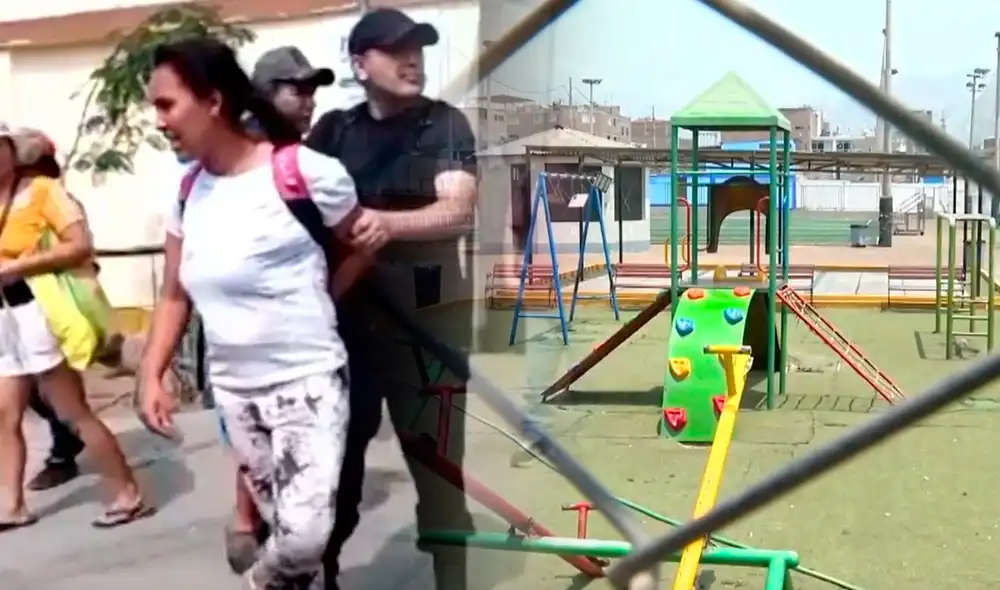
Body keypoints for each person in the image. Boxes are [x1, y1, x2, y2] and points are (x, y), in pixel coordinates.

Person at [137, 37, 387, 589]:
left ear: (213, 101)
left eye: (167, 105)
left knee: (303, 537)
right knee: (285, 531)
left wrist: (321, 296)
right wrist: (150, 373)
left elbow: (361, 243)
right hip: (236, 393)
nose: (159, 121)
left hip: (307, 382)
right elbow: (175, 294)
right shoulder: (188, 192)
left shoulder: (304, 171)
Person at [304, 8, 478, 590]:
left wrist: (384, 224)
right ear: (360, 64)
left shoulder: (442, 123)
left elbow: (457, 209)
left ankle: (453, 580)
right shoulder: (333, 133)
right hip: (347, 332)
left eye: (418, 49)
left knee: (438, 471)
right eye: (396, 50)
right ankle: (321, 573)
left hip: (430, 331)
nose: (412, 60)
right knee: (335, 469)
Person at [221, 44, 337, 574]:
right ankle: (249, 523)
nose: (309, 100)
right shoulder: (243, 153)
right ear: (266, 95)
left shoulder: (298, 155)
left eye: (312, 91)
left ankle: (258, 527)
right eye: (298, 90)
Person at [0, 125, 150, 529]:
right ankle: (12, 505)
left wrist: (18, 266)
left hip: (41, 312)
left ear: (12, 151)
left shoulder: (43, 192)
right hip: (5, 320)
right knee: (5, 413)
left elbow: (80, 244)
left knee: (70, 410)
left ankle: (127, 493)